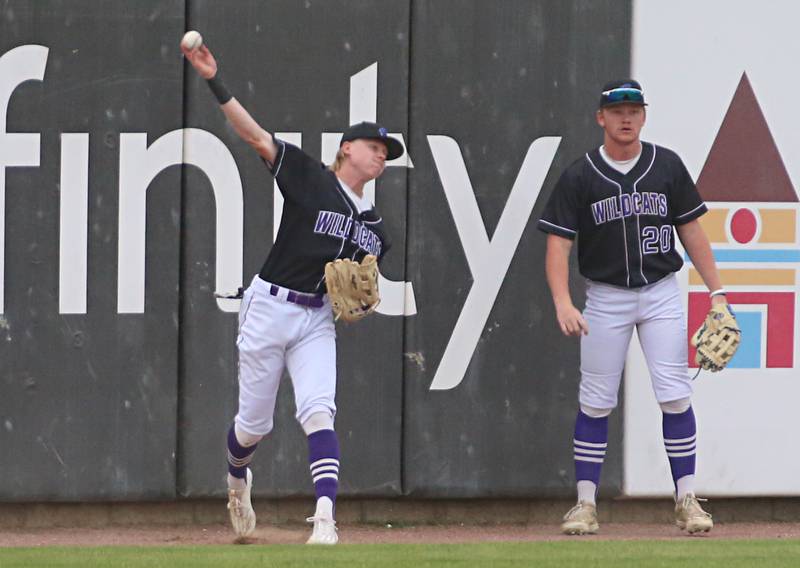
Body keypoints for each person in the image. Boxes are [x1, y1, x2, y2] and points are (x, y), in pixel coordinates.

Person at [181, 39, 404, 544]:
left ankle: (325, 516)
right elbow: (255, 136)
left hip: (315, 319)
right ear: (348, 148)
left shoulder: (378, 232)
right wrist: (215, 80)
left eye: (387, 154)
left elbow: (363, 293)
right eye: (375, 147)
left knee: (319, 410)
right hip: (269, 307)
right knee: (252, 426)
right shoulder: (309, 177)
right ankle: (238, 479)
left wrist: (364, 301)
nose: (382, 157)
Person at [538, 79, 726, 535]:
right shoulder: (580, 174)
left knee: (676, 393)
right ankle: (585, 505)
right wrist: (563, 302)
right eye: (618, 110)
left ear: (644, 115)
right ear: (600, 117)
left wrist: (718, 293)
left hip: (661, 290)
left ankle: (687, 499)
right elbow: (558, 245)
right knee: (596, 400)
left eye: (635, 110)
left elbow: (693, 233)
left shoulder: (667, 166)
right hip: (606, 297)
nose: (627, 118)